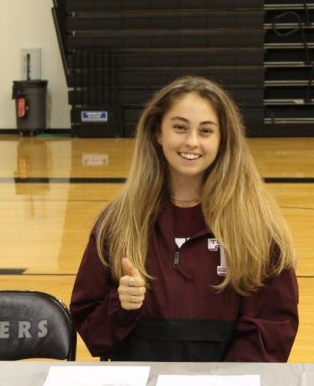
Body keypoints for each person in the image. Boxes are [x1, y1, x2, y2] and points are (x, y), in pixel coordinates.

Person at [70, 75, 299, 362]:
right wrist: (120, 305)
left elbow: (272, 328)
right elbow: (93, 332)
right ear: (158, 132)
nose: (191, 142)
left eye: (205, 131)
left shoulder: (257, 226)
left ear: (223, 139)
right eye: (179, 127)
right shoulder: (117, 223)